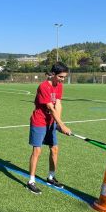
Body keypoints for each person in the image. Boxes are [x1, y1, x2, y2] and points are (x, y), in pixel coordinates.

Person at [26, 62, 71, 195]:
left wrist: (58, 123)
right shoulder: (44, 86)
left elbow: (58, 104)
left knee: (54, 149)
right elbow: (50, 107)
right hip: (39, 121)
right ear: (53, 74)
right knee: (37, 151)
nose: (62, 79)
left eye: (64, 77)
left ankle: (51, 177)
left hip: (51, 122)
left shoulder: (59, 86)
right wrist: (62, 125)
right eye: (61, 77)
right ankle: (31, 181)